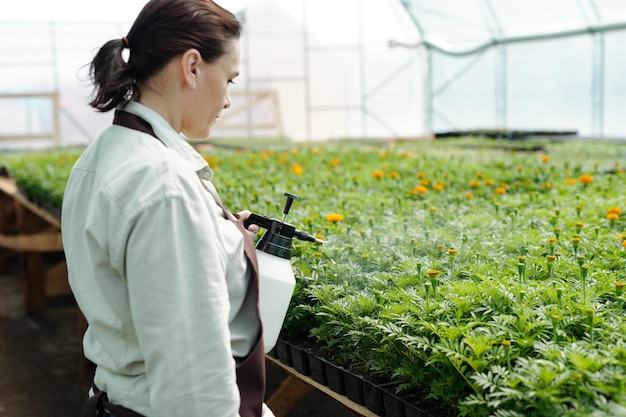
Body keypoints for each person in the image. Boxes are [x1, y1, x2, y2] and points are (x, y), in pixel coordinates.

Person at [61, 1, 274, 416]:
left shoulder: (103, 155)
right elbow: (194, 392)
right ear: (192, 66)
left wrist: (220, 239)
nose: (228, 99)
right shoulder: (165, 189)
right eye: (229, 79)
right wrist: (193, 231)